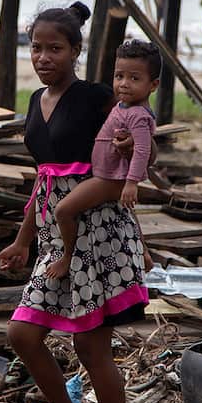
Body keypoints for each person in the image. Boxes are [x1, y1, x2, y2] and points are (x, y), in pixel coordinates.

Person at [0, 2, 150, 403]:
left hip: (99, 232)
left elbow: (141, 129)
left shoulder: (97, 97)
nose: (43, 57)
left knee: (90, 346)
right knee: (22, 335)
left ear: (76, 51)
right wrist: (22, 241)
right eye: (36, 48)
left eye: (55, 48)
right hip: (54, 238)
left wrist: (128, 151)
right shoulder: (36, 102)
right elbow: (44, 182)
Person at [45, 39, 160, 284]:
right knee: (125, 217)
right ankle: (144, 254)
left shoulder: (138, 115)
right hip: (106, 175)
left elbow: (143, 149)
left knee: (63, 211)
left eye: (134, 78)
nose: (124, 84)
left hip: (110, 178)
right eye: (119, 76)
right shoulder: (125, 106)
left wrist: (131, 183)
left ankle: (67, 256)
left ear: (154, 85)